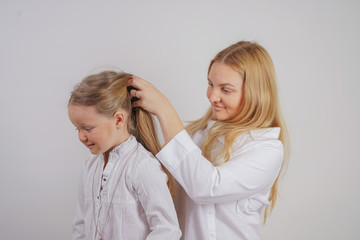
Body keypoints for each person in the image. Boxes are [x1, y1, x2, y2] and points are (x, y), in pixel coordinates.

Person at [128, 41, 289, 240]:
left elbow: (206, 187)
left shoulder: (268, 150)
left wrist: (164, 109)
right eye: (211, 84)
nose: (212, 96)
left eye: (226, 90)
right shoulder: (196, 135)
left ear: (256, 94)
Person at [68, 71, 181, 240]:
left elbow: (168, 229)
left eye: (88, 128)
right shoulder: (89, 166)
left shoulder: (142, 166)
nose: (81, 137)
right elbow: (81, 225)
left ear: (119, 120)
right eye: (78, 129)